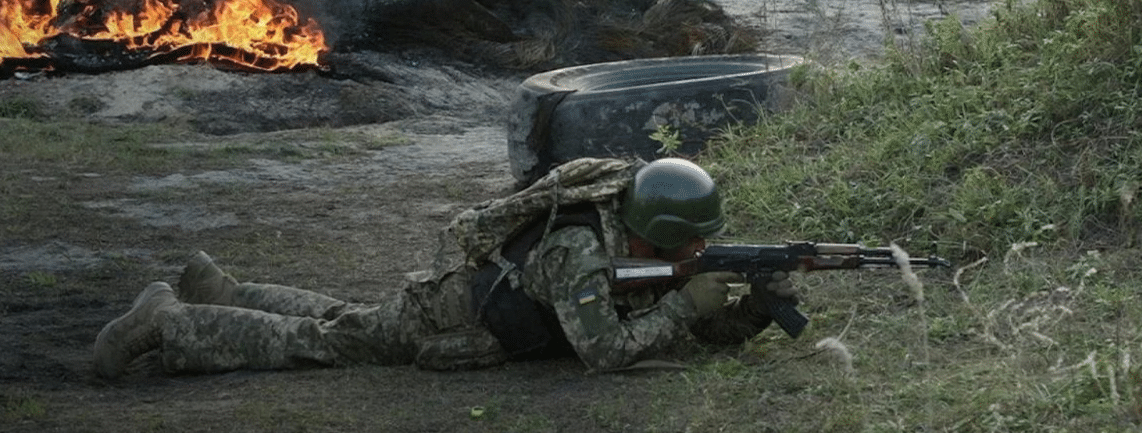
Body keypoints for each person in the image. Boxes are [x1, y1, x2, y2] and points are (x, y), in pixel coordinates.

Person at [93, 157, 797, 378]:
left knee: (345, 319)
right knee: (330, 343)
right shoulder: (581, 251)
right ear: (658, 235)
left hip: (479, 302)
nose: (698, 258)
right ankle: (171, 323)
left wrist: (755, 308)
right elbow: (605, 352)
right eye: (690, 250)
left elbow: (698, 330)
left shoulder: (637, 239)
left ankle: (224, 290)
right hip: (454, 309)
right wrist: (685, 303)